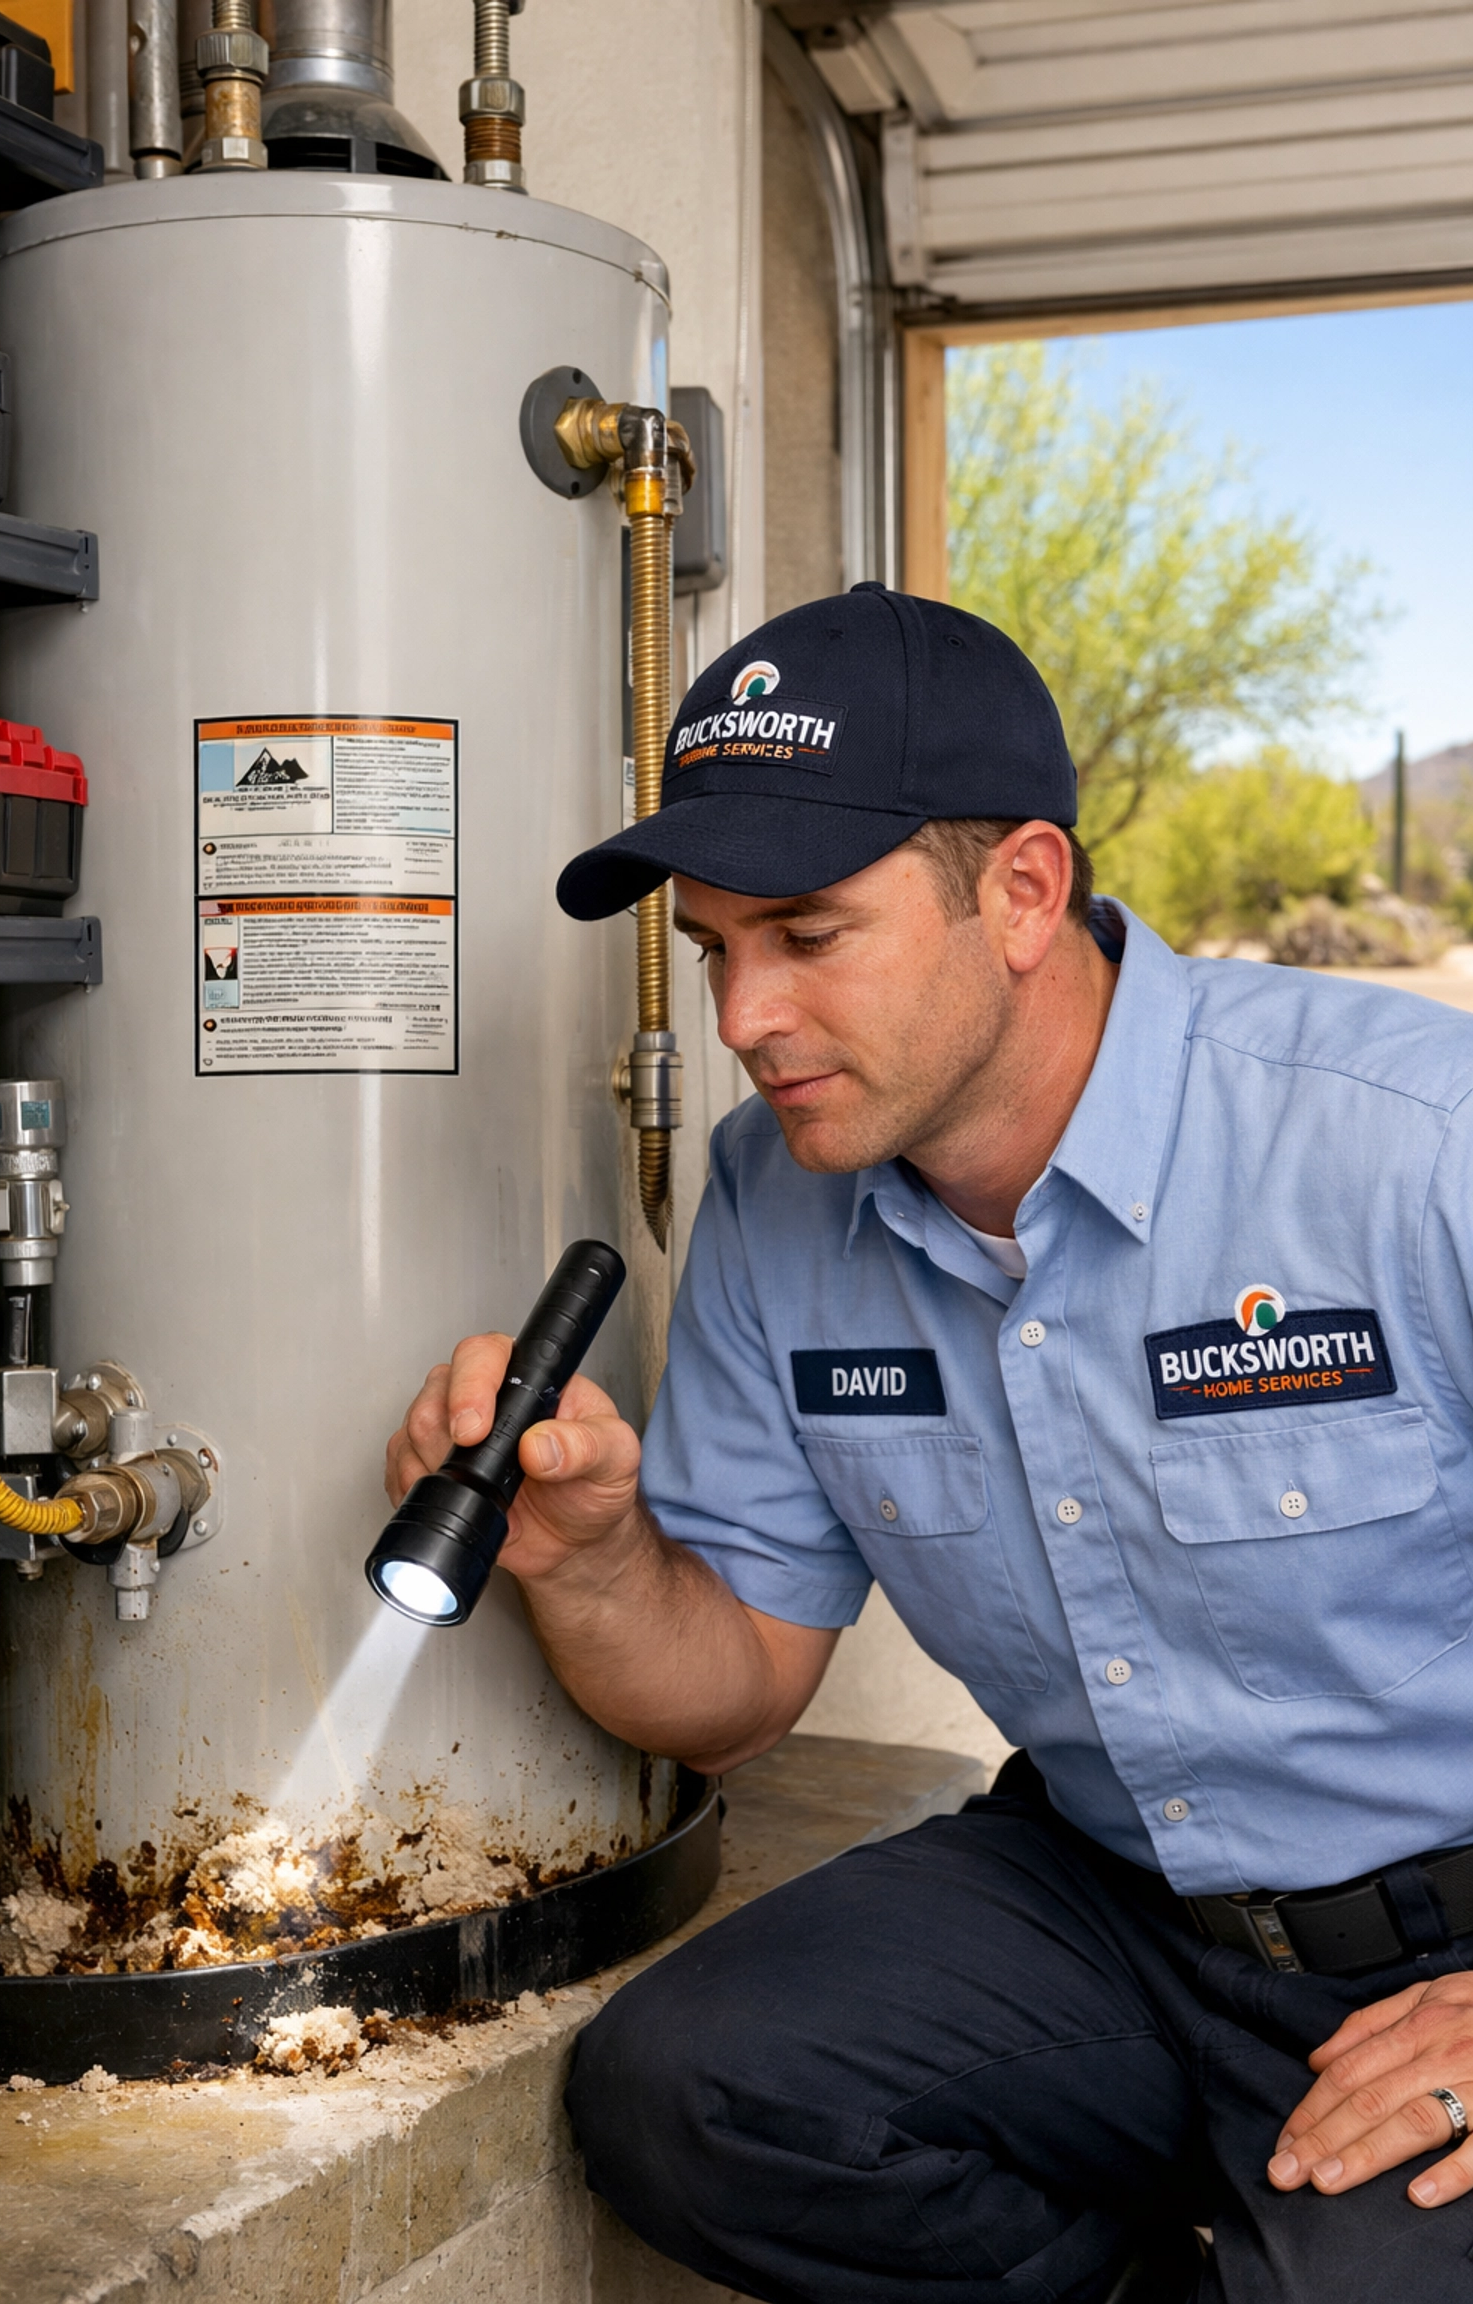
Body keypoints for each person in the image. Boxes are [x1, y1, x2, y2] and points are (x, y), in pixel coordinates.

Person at [386, 582, 1473, 2303]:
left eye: (809, 937)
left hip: (1445, 1944)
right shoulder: (770, 1195)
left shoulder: (1416, 1144)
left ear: (1024, 892)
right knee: (691, 2094)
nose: (743, 1020)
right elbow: (738, 1678)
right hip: (1108, 1895)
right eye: (714, 950)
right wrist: (588, 1557)